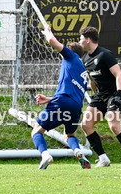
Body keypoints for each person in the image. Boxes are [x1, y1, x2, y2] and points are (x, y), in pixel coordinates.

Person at [78, 26, 121, 167]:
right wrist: (95, 96)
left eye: (81, 39)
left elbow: (119, 75)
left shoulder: (105, 54)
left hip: (113, 94)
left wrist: (119, 94)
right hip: (100, 95)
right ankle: (103, 159)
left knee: (114, 126)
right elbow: (92, 80)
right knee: (86, 125)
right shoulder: (85, 58)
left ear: (88, 40)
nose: (80, 42)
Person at [33, 27, 91, 170]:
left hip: (63, 101)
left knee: (37, 130)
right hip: (76, 106)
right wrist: (49, 99)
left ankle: (45, 155)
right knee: (69, 134)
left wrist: (47, 33)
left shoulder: (70, 57)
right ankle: (77, 151)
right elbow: (71, 93)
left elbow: (53, 41)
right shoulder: (82, 70)